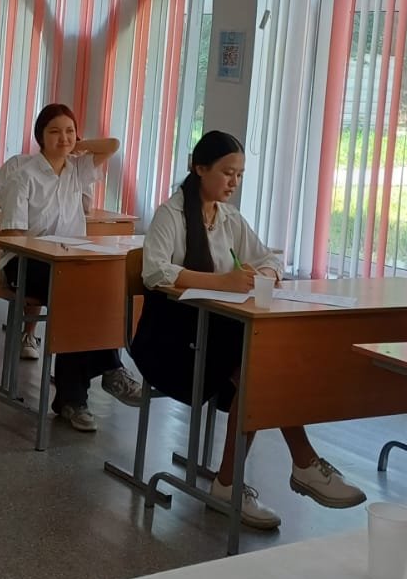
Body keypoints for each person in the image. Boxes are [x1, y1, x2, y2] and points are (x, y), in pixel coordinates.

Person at [130, 131, 364, 526]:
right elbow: (154, 271)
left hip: (215, 334)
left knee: (262, 363)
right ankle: (296, 464)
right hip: (170, 340)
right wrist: (222, 282)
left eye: (239, 175)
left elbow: (270, 259)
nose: (234, 182)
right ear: (199, 168)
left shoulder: (229, 218)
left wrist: (263, 274)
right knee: (258, 364)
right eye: (227, 173)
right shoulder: (171, 214)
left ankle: (234, 480)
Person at [0, 103, 143, 431]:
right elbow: (13, 238)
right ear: (40, 137)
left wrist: (78, 143)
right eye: (54, 132)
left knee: (91, 292)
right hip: (25, 262)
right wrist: (49, 252)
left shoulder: (77, 170)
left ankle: (72, 399)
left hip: (68, 263)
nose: (63, 138)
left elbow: (113, 145)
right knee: (79, 293)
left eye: (69, 131)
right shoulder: (23, 176)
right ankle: (108, 370)